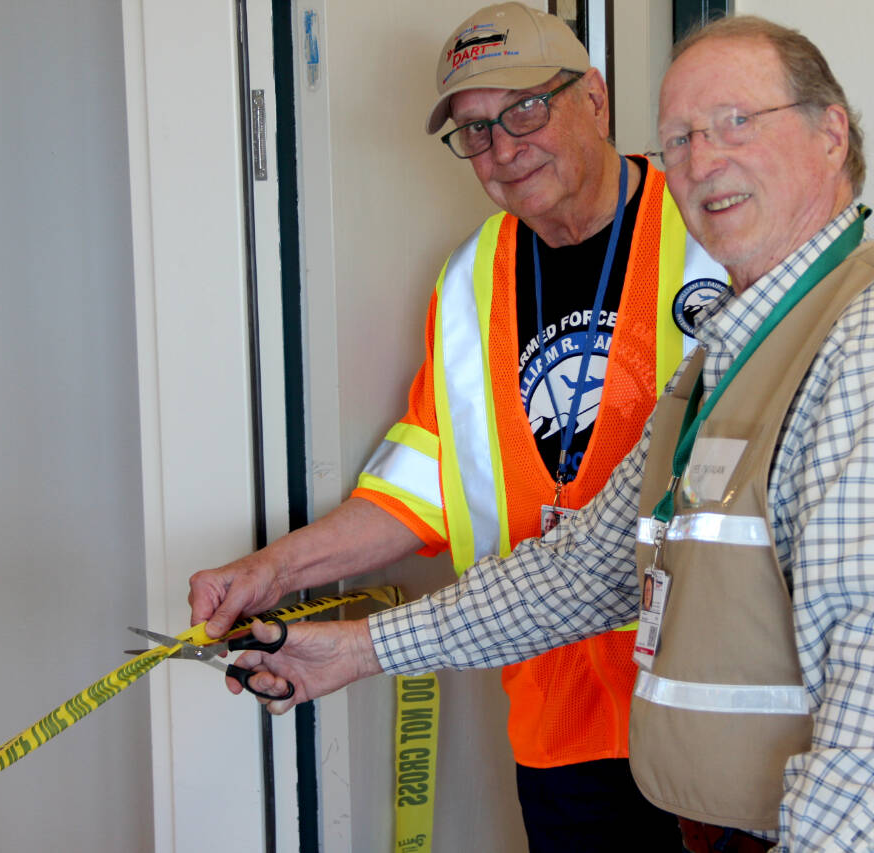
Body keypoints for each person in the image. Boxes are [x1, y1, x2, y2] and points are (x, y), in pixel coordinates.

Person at [232, 14, 874, 853]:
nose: (702, 161)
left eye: (736, 122)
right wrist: (355, 650)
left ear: (832, 134)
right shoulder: (733, 356)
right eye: (679, 138)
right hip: (660, 778)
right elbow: (585, 567)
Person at [187, 3, 724, 848]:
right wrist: (269, 569)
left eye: (525, 109)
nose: (503, 149)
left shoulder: (712, 234)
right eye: (475, 130)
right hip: (555, 720)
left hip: (706, 706)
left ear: (595, 98)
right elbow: (424, 484)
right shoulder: (473, 277)